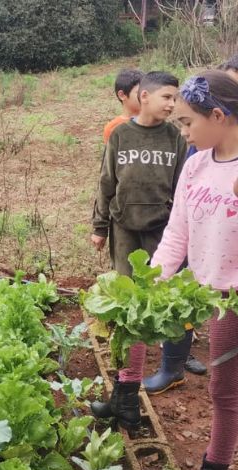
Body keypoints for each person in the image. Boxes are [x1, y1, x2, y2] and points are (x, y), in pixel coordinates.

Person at [151, 70, 238, 470]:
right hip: (218, 302)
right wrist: (151, 280)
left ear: (218, 117)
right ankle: (215, 469)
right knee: (223, 390)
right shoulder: (195, 167)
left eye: (187, 122)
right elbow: (176, 234)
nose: (182, 132)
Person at [90, 71, 187, 430]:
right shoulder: (120, 134)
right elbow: (106, 183)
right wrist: (100, 228)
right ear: (142, 96)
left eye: (175, 99)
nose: (172, 105)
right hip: (124, 231)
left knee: (149, 312)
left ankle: (132, 392)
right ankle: (124, 394)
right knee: (127, 312)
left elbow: (181, 190)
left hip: (161, 234)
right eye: (166, 97)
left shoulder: (175, 137)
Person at [102, 69, 144, 143]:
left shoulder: (154, 122)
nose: (145, 97)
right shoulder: (113, 128)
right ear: (122, 95)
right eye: (139, 92)